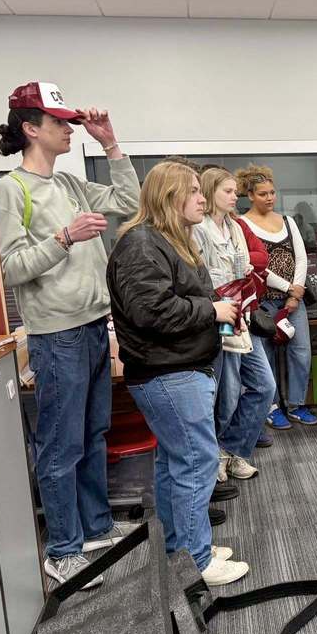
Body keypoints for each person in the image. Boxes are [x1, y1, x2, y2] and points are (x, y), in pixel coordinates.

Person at [0, 81, 138, 588]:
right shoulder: (11, 191)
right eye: (60, 123)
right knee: (60, 445)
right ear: (31, 128)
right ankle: (63, 549)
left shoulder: (72, 185)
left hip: (95, 326)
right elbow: (8, 270)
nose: (69, 130)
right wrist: (63, 238)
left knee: (93, 435)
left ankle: (96, 529)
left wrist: (110, 143)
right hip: (57, 337)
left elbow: (129, 199)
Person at [106, 161, 249, 586]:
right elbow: (151, 312)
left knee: (175, 465)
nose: (202, 197)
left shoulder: (169, 241)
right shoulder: (142, 245)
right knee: (196, 462)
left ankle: (181, 549)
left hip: (181, 368)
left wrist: (220, 314)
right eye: (194, 190)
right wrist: (212, 310)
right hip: (169, 373)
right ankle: (195, 562)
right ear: (170, 197)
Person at [194, 167, 274, 481]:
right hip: (217, 322)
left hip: (243, 318)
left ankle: (233, 449)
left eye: (234, 191)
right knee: (223, 397)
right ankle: (213, 456)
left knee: (265, 387)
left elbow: (253, 262)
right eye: (228, 191)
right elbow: (202, 277)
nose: (234, 196)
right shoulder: (198, 228)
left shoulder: (236, 226)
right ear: (210, 191)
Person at [235, 164, 317, 431]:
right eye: (263, 194)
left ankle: (296, 404)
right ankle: (271, 407)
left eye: (272, 192)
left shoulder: (288, 221)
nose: (270, 198)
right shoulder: (242, 224)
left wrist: (296, 292)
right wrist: (288, 288)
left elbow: (302, 258)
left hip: (294, 301)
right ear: (250, 195)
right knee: (266, 358)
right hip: (263, 302)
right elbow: (256, 265)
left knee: (302, 352)